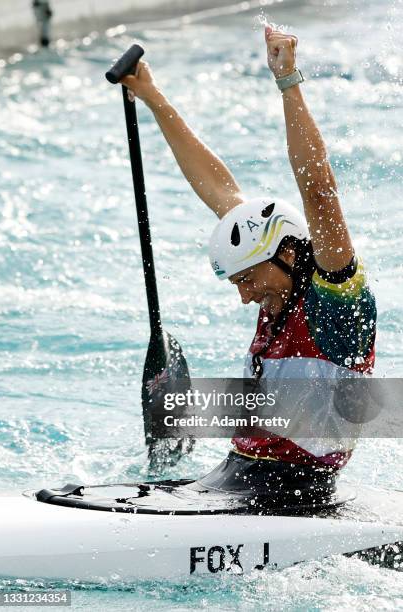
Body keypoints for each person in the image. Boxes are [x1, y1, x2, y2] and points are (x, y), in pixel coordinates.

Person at [121, 25, 376, 507]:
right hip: (238, 476)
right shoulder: (273, 269)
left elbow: (319, 190)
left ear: (285, 251)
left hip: (294, 492)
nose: (244, 296)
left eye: (247, 280)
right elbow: (219, 191)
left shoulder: (336, 301)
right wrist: (152, 95)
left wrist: (288, 81)